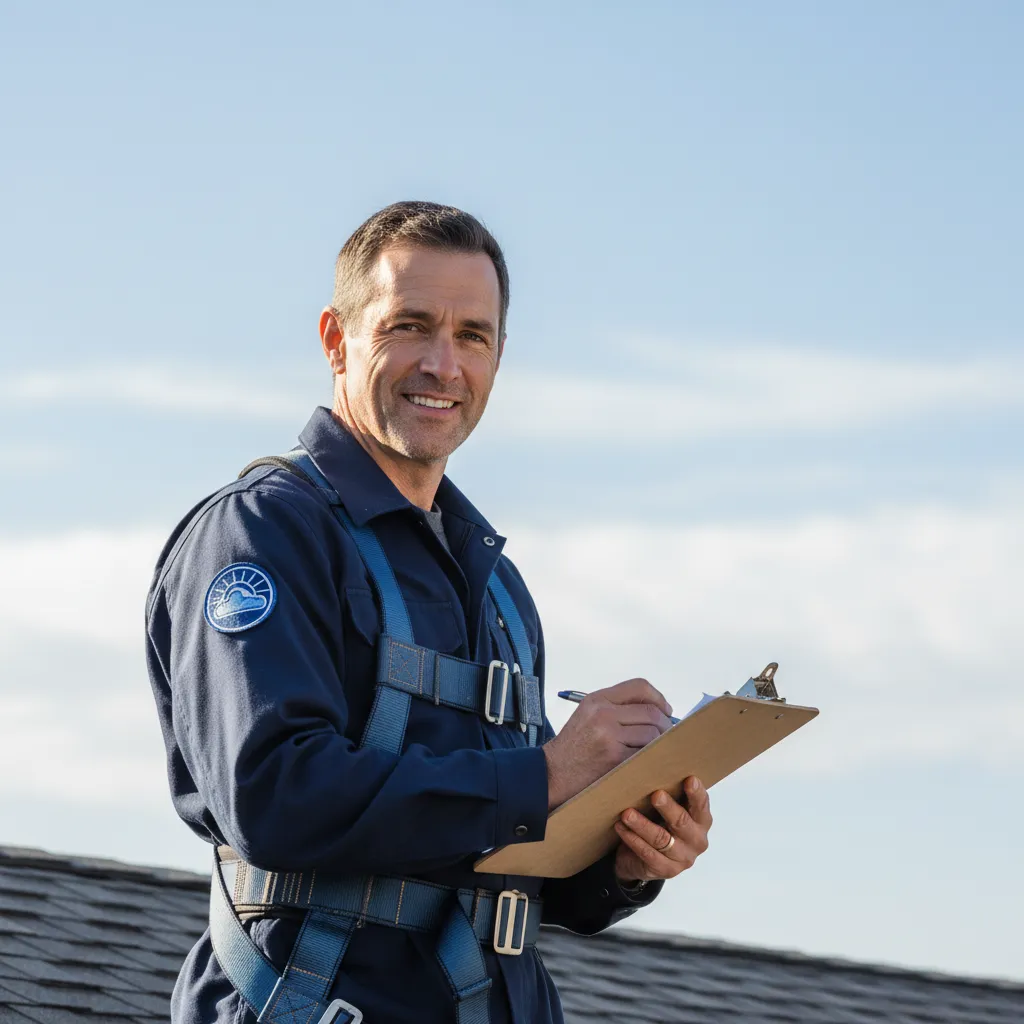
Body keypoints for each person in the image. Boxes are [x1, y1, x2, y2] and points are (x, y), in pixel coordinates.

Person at [145, 201, 713, 1024]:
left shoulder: (500, 585)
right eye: (411, 326)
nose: (445, 365)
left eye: (473, 336)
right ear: (336, 340)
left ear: (499, 356)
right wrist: (548, 772)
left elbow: (500, 856)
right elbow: (272, 796)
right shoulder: (262, 532)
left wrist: (627, 856)